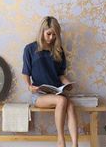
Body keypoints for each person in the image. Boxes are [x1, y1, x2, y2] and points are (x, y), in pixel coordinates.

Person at [22, 16, 78, 147]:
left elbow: (60, 75)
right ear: (42, 31)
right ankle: (60, 140)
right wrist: (30, 87)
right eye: (49, 34)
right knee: (63, 101)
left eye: (54, 34)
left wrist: (67, 83)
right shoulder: (30, 49)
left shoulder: (58, 50)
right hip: (39, 95)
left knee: (70, 106)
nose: (51, 37)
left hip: (57, 92)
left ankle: (75, 144)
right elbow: (26, 73)